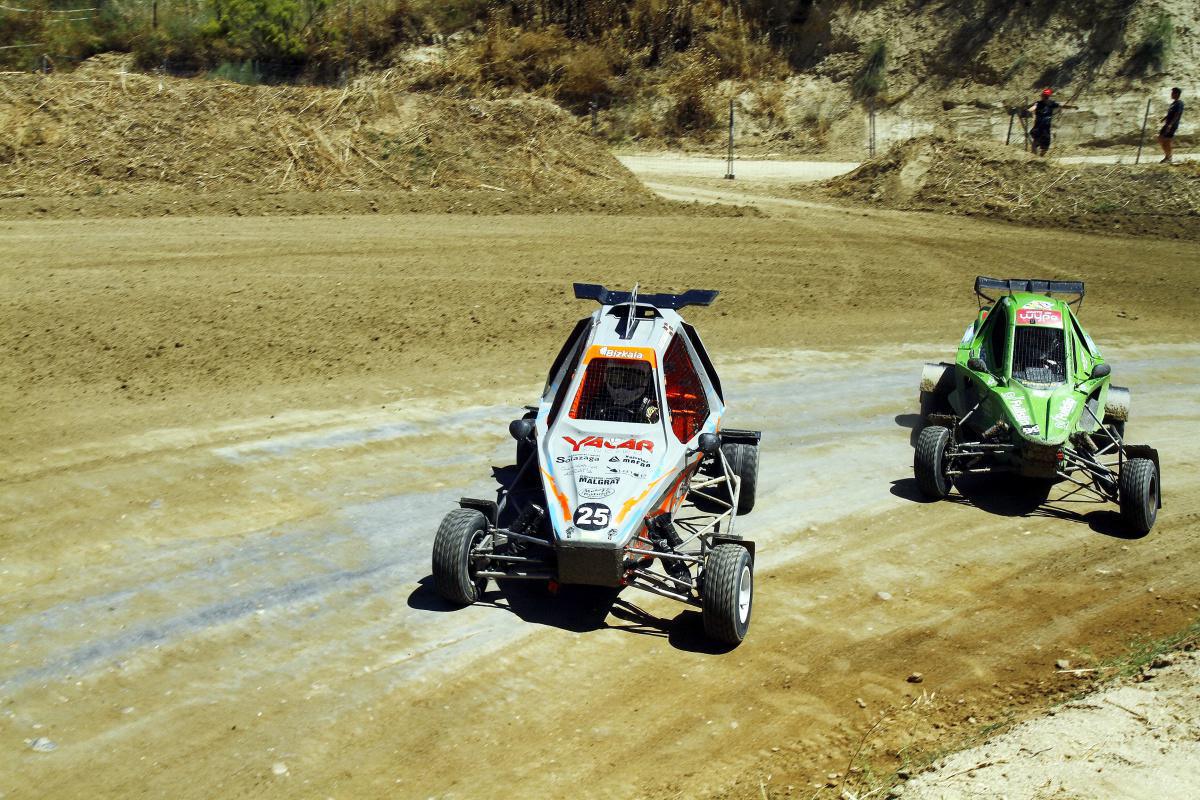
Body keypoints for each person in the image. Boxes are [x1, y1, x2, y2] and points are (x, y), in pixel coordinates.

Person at [1026, 88, 1077, 156]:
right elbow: (1034, 107)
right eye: (1044, 96)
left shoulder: (1051, 103)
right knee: (1035, 142)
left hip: (1046, 128)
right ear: (1042, 96)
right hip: (1038, 127)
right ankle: (1034, 157)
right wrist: (1029, 110)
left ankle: (1040, 158)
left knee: (1045, 148)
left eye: (1046, 96)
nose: (1045, 98)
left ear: (1048, 97)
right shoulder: (1038, 103)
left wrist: (1073, 106)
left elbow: (1062, 105)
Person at [1158, 87, 1184, 164]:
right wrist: (1164, 118)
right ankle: (1168, 156)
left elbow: (1177, 114)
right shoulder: (1173, 103)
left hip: (1172, 125)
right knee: (1160, 138)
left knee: (1167, 140)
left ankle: (1168, 157)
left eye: (1173, 93)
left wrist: (1171, 125)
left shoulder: (1180, 103)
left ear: (1177, 94)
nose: (1171, 94)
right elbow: (1170, 114)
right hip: (1167, 124)